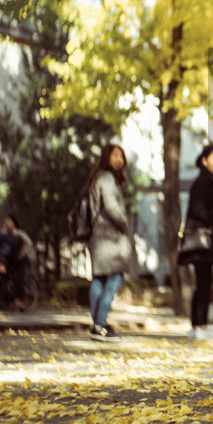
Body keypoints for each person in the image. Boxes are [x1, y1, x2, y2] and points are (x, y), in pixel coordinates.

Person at [83, 143, 133, 341]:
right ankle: (101, 323)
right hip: (108, 238)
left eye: (121, 156)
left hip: (99, 236)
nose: (119, 159)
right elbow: (111, 207)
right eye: (115, 155)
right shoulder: (106, 178)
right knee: (114, 278)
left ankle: (97, 324)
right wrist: (124, 223)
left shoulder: (98, 178)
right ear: (106, 157)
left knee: (100, 278)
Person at [182, 143, 213, 340]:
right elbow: (198, 210)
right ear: (204, 161)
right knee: (203, 282)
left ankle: (201, 323)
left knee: (205, 282)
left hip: (209, 242)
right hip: (202, 241)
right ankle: (198, 326)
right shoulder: (203, 182)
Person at [0, 215, 33, 307]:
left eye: (8, 221)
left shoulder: (19, 233)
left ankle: (19, 299)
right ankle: (4, 295)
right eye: (6, 221)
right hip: (8, 258)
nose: (6, 223)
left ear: (13, 223)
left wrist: (21, 254)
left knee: (20, 277)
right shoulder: (4, 233)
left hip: (20, 258)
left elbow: (29, 243)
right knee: (3, 273)